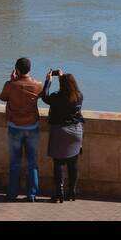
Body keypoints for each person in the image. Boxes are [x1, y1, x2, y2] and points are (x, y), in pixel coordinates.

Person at [0, 56, 44, 201]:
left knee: (14, 162)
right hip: (32, 127)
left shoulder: (10, 85)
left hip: (15, 126)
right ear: (30, 69)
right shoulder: (38, 85)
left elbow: (2, 97)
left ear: (16, 69)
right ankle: (32, 194)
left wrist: (12, 81)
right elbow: (44, 96)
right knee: (32, 163)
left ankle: (12, 193)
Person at [41, 69, 84, 202]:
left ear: (61, 85)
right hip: (76, 131)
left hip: (60, 131)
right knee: (73, 163)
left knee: (58, 163)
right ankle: (72, 191)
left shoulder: (56, 97)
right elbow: (68, 90)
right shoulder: (79, 96)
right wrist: (63, 76)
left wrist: (48, 80)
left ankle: (59, 193)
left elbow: (44, 97)